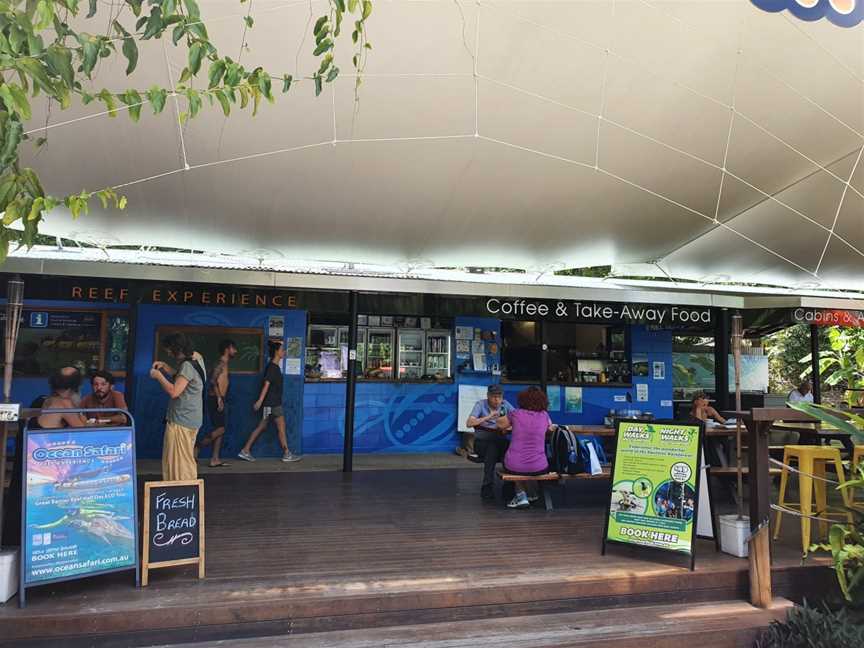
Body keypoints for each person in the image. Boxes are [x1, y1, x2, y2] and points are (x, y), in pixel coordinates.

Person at [150, 332, 206, 481]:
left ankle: (183, 492)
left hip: (182, 419)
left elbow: (174, 391)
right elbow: (184, 378)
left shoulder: (187, 365)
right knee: (185, 458)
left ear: (177, 348)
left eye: (169, 349)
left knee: (180, 463)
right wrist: (166, 367)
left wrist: (158, 375)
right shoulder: (197, 359)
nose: (168, 352)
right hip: (192, 418)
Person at [238, 340, 301, 463]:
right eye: (282, 349)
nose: (284, 351)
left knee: (262, 426)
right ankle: (287, 453)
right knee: (281, 427)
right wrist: (259, 401)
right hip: (273, 404)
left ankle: (245, 450)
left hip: (270, 404)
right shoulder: (273, 368)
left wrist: (262, 402)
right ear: (277, 352)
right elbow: (266, 385)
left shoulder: (273, 367)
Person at [496, 387, 555, 509]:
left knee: (513, 461)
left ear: (522, 401)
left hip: (515, 465)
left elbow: (499, 423)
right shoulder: (544, 416)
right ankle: (532, 493)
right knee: (528, 464)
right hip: (540, 466)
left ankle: (521, 495)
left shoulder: (516, 414)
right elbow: (550, 427)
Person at [466, 384, 515, 500]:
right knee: (493, 447)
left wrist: (508, 428)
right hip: (481, 442)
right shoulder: (480, 404)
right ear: (488, 396)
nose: (497, 399)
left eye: (499, 396)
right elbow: (469, 423)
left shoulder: (505, 404)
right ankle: (507, 489)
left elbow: (518, 419)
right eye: (494, 396)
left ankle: (493, 486)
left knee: (506, 449)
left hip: (499, 441)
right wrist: (488, 417)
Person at [196, 339, 237, 467]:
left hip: (220, 399)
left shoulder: (224, 364)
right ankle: (197, 446)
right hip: (216, 399)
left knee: (220, 429)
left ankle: (215, 459)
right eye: (233, 348)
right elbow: (213, 381)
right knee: (221, 429)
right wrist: (219, 398)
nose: (235, 351)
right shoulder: (221, 364)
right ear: (227, 349)